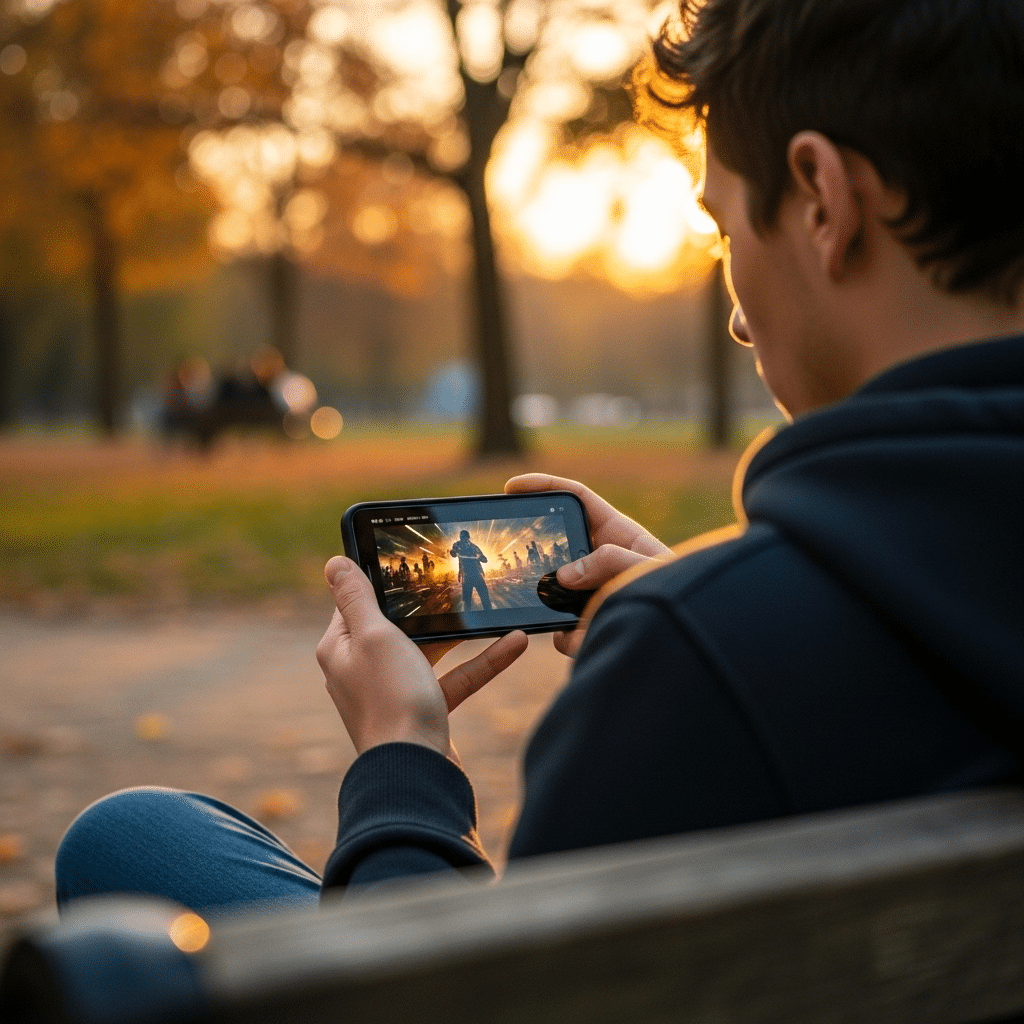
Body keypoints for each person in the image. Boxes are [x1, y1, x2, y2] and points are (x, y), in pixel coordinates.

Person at [55, 0, 1022, 915]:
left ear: (823, 198)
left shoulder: (691, 670)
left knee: (129, 840)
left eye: (725, 228)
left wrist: (403, 763)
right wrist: (701, 604)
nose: (734, 313)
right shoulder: (717, 639)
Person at [449, 529, 493, 611]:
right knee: (470, 602)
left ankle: (489, 617)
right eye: (463, 538)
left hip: (473, 576)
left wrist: (478, 558)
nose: (464, 540)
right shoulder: (468, 546)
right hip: (471, 576)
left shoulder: (470, 546)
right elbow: (454, 554)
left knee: (474, 602)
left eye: (465, 538)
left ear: (467, 538)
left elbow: (484, 560)